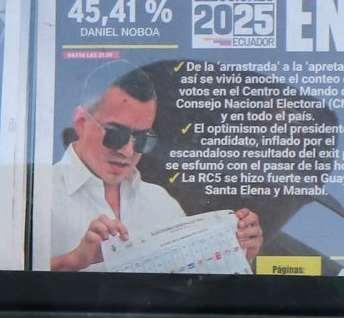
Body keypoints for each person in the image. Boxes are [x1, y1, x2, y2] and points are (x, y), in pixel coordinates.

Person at [49, 65, 263, 271]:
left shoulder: (162, 203)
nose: (127, 151)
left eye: (143, 140)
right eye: (116, 134)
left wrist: (237, 252)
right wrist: (72, 261)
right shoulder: (35, 194)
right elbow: (16, 278)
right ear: (81, 123)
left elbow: (191, 285)